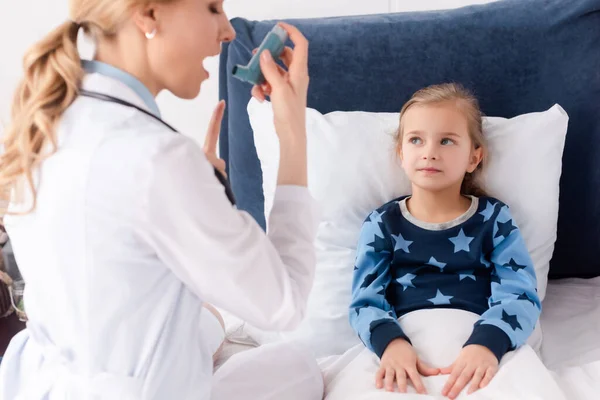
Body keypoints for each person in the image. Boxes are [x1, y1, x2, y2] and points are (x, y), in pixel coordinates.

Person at [0, 0, 323, 399]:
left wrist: (195, 192)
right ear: (149, 14)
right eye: (211, 8)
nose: (228, 31)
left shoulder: (46, 124)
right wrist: (292, 134)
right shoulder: (158, 157)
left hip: (46, 381)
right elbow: (284, 304)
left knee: (206, 322)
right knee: (300, 366)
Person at [349, 83, 541, 399]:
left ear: (473, 157)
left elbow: (520, 292)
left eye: (447, 140)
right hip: (403, 347)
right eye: (415, 140)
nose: (430, 152)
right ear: (401, 153)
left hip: (482, 344)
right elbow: (365, 299)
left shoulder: (494, 218)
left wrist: (487, 344)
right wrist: (391, 344)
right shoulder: (382, 223)